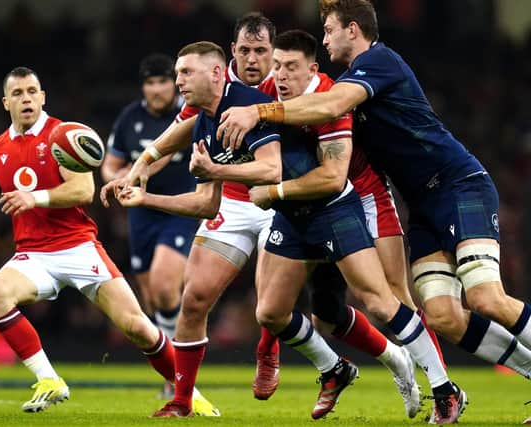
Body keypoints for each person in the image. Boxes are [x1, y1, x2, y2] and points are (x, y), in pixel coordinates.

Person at [219, 0, 531, 422]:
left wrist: (257, 109)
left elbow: (330, 106)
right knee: (442, 315)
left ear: (352, 29)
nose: (324, 38)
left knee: (485, 297)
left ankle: (443, 387)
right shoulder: (343, 80)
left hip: (459, 186)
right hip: (423, 205)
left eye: (328, 29)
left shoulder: (379, 62)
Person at [0, 66, 218, 416]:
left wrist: (36, 198)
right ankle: (49, 380)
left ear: (43, 97)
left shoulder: (64, 135)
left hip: (78, 247)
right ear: (5, 102)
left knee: (137, 327)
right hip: (33, 254)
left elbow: (83, 189)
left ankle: (190, 396)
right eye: (17, 93)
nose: (26, 99)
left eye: (32, 91)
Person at [113, 40, 290, 418]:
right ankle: (182, 401)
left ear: (215, 72)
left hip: (280, 204)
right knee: (192, 300)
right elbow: (206, 203)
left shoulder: (245, 105)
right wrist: (145, 198)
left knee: (269, 309)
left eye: (185, 72)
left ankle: (267, 350)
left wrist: (216, 172)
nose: (178, 81)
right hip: (234, 206)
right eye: (177, 73)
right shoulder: (203, 117)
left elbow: (272, 169)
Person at [251, 29, 421, 419]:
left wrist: (273, 191)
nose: (279, 75)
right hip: (301, 207)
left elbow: (332, 176)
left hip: (355, 198)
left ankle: (442, 386)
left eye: (289, 67)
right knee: (312, 311)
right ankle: (349, 367)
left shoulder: (332, 96)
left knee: (393, 298)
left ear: (310, 69)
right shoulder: (264, 89)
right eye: (275, 65)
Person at [101, 53, 199, 397]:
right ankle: (174, 370)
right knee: (152, 298)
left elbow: (174, 156)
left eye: (162, 81)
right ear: (143, 86)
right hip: (141, 214)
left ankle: (179, 376)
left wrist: (130, 175)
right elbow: (110, 165)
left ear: (174, 83)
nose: (157, 89)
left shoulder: (188, 113)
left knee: (163, 282)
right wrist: (116, 179)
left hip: (181, 207)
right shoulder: (130, 118)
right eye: (150, 82)